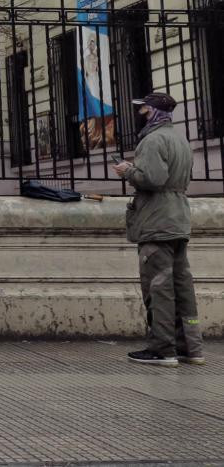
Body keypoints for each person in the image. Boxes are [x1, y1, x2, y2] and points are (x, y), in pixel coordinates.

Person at [112, 92, 204, 367]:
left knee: (159, 286)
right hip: (178, 216)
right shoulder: (179, 139)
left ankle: (162, 349)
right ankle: (191, 347)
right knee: (182, 285)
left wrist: (128, 170)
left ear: (151, 112)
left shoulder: (152, 140)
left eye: (142, 109)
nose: (139, 114)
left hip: (156, 219)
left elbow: (152, 178)